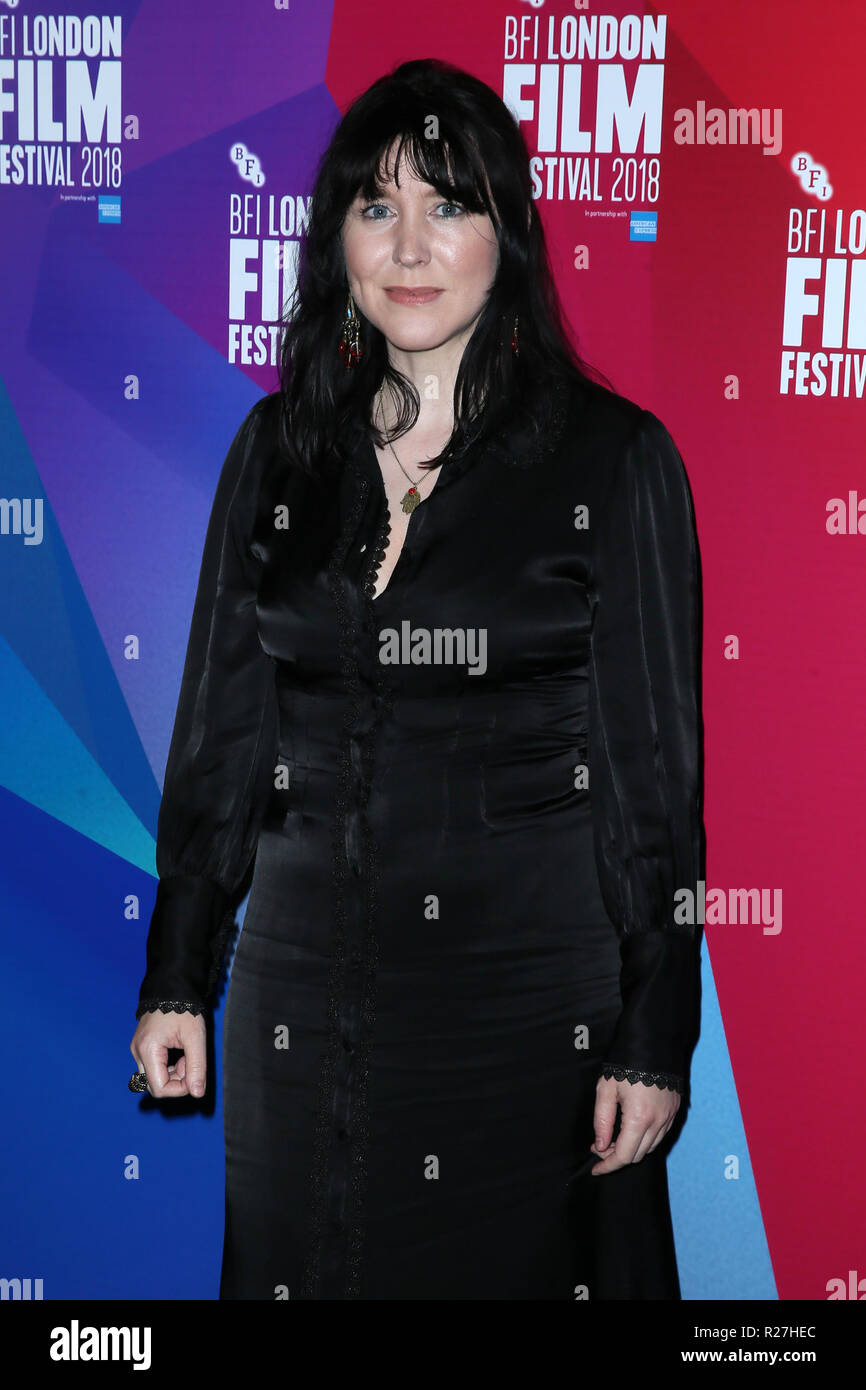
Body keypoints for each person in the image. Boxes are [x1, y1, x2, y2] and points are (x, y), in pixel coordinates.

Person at [129, 57, 704, 1301]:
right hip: (298, 996)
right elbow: (224, 735)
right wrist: (180, 970)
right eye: (375, 206)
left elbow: (651, 782)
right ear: (335, 239)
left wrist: (654, 1035)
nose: (409, 244)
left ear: (508, 235)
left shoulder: (611, 460)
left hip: (521, 1009)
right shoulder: (277, 449)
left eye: (448, 205)